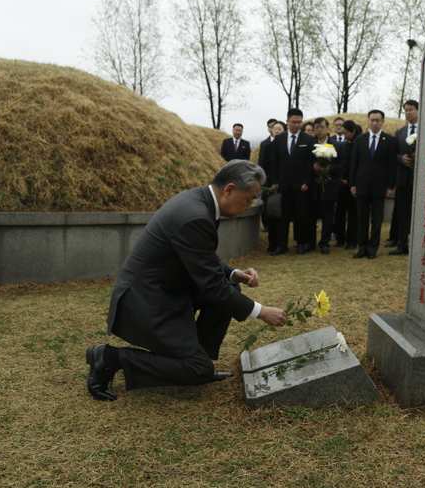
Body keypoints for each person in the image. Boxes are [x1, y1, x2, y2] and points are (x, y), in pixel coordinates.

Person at [85, 161, 288, 400]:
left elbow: (200, 255)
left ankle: (197, 357)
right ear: (229, 189)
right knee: (197, 368)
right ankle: (110, 357)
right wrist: (261, 311)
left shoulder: (200, 201)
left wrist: (233, 273)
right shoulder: (195, 215)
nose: (250, 205)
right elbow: (212, 287)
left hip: (164, 289)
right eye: (248, 199)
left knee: (230, 286)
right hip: (146, 301)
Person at [350, 110, 396, 259]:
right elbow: (354, 163)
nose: (375, 123)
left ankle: (372, 248)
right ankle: (361, 247)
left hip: (380, 187)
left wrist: (390, 186)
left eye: (378, 120)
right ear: (368, 121)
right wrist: (352, 184)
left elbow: (392, 166)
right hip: (361, 185)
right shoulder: (360, 140)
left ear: (382, 122)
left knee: (376, 220)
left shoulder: (390, 141)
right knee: (361, 218)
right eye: (372, 120)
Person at [267, 109, 314, 255]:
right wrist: (275, 181)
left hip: (301, 186)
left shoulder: (308, 140)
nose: (297, 125)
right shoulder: (279, 139)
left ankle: (301, 243)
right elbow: (274, 162)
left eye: (299, 122)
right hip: (283, 185)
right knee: (283, 216)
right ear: (287, 121)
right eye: (294, 122)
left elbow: (310, 164)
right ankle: (281, 245)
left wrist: (307, 182)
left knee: (301, 215)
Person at [390, 100, 419, 256]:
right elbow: (392, 154)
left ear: (418, 110)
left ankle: (419, 245)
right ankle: (402, 245)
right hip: (403, 179)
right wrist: (401, 159)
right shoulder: (400, 132)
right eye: (406, 110)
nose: (408, 112)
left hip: (421, 179)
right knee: (402, 213)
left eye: (411, 109)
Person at [310, 117, 342, 254]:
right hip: (313, 185)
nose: (319, 130)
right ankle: (310, 242)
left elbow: (341, 165)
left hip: (330, 185)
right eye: (316, 127)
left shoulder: (336, 145)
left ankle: (324, 242)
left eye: (322, 127)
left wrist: (327, 169)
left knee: (328, 215)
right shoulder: (309, 143)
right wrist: (313, 167)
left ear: (327, 128)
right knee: (311, 214)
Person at [258, 120, 284, 254]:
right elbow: (262, 165)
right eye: (275, 129)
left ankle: (281, 244)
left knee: (283, 216)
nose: (277, 131)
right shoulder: (266, 145)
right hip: (271, 186)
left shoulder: (287, 145)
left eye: (280, 129)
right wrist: (267, 183)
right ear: (271, 131)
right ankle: (272, 243)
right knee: (272, 215)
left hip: (285, 185)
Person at [334, 120, 359, 248]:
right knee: (340, 213)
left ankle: (352, 240)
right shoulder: (342, 146)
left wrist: (350, 180)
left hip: (353, 184)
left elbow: (357, 165)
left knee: (353, 214)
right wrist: (340, 178)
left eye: (346, 133)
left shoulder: (358, 145)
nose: (344, 135)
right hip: (341, 184)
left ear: (352, 131)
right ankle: (340, 239)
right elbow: (339, 164)